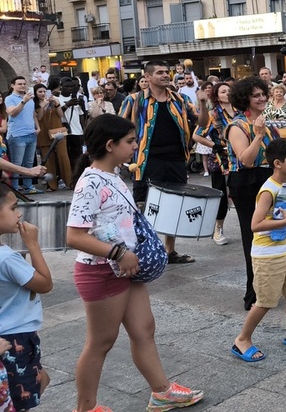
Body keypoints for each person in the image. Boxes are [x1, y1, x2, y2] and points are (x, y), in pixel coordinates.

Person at [66, 114, 204, 412]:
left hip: (127, 268)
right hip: (102, 271)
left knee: (144, 329)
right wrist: (118, 253)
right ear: (110, 145)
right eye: (130, 142)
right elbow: (74, 236)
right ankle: (85, 407)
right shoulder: (89, 182)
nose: (135, 147)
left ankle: (162, 392)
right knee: (100, 342)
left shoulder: (113, 176)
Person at [119, 60, 208, 265]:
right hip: (145, 160)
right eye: (159, 72)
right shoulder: (134, 101)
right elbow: (119, 129)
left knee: (174, 205)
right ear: (147, 77)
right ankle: (142, 251)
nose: (165, 75)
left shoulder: (181, 99)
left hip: (176, 160)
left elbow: (202, 124)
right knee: (141, 206)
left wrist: (203, 103)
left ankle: (170, 251)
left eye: (166, 72)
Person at [231, 138, 286, 362]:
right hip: (268, 254)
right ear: (277, 163)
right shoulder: (268, 190)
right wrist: (284, 222)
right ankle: (242, 339)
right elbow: (255, 225)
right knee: (265, 301)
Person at [228, 77, 280, 310]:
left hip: (267, 178)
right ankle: (255, 293)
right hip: (247, 182)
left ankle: (270, 288)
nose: (261, 98)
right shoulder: (237, 126)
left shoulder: (266, 120)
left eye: (263, 94)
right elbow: (246, 160)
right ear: (244, 99)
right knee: (254, 237)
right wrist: (258, 134)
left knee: (273, 234)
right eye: (256, 95)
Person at [0, 181, 53, 411]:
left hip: (8, 335)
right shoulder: (6, 259)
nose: (19, 213)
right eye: (12, 208)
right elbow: (45, 283)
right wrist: (32, 244)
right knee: (20, 399)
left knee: (39, 380)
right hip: (16, 338)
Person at [192, 81, 237, 245]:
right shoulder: (213, 114)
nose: (227, 93)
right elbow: (196, 136)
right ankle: (218, 228)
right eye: (223, 91)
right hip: (220, 159)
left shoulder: (241, 111)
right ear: (217, 96)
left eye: (229, 90)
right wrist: (214, 145)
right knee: (221, 195)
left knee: (240, 191)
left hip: (240, 157)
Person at [5, 77, 41, 194]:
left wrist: (37, 127)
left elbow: (33, 115)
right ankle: (15, 188)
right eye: (19, 84)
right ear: (12, 86)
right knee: (16, 163)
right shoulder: (10, 98)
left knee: (29, 163)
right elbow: (12, 113)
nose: (22, 86)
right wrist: (23, 101)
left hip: (31, 134)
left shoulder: (29, 98)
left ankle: (28, 187)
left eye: (24, 84)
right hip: (17, 135)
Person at [34, 84, 72, 191]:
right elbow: (39, 118)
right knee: (48, 159)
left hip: (58, 131)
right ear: (36, 93)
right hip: (44, 133)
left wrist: (57, 104)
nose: (42, 94)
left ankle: (69, 182)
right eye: (40, 92)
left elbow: (60, 115)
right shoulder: (35, 104)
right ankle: (52, 185)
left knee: (63, 157)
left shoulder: (54, 100)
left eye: (44, 91)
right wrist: (43, 106)